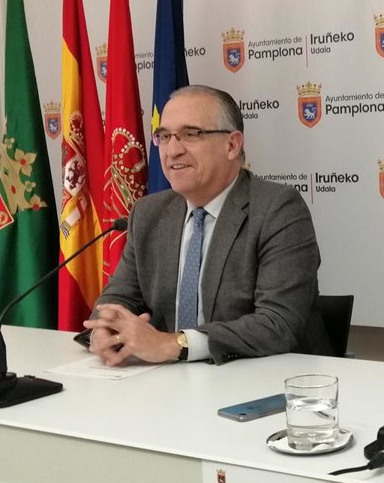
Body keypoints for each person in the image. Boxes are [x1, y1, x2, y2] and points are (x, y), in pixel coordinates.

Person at [85, 85, 330, 366]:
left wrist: (175, 344)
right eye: (164, 136)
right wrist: (106, 330)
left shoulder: (277, 209)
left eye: (190, 134)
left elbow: (278, 324)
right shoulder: (148, 213)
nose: (172, 150)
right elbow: (117, 300)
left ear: (232, 145)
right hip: (167, 380)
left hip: (265, 379)